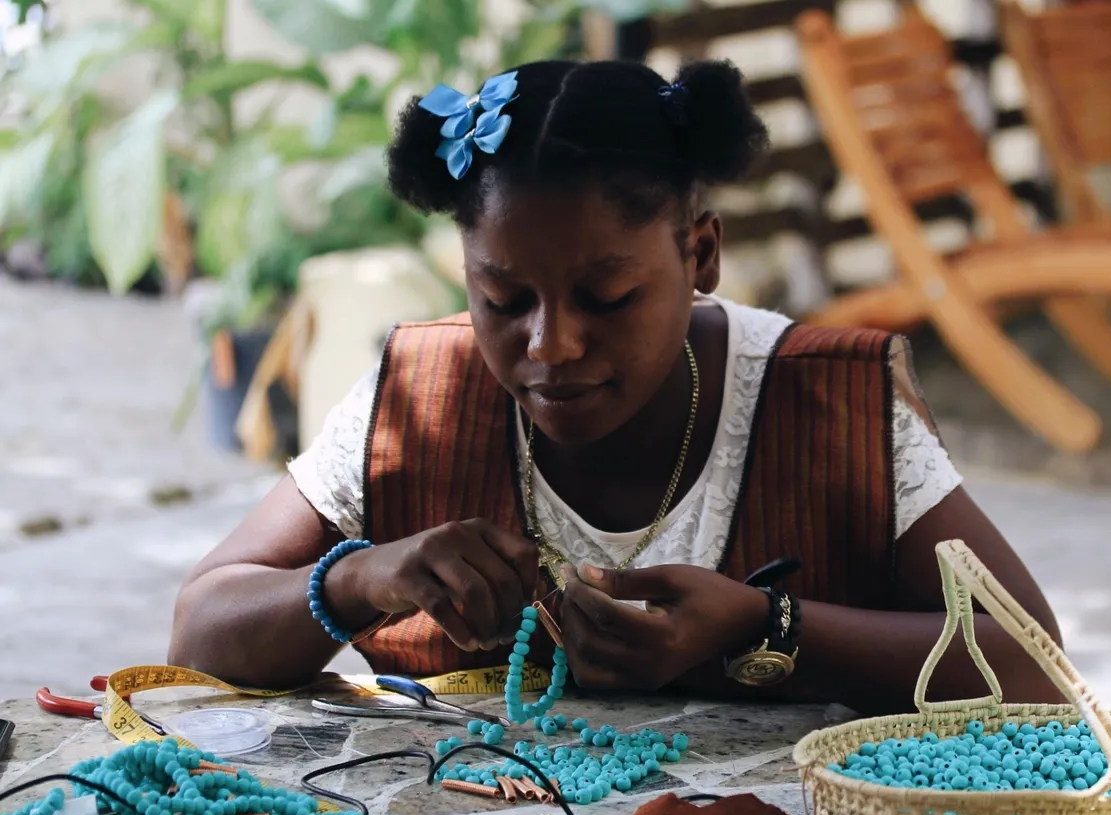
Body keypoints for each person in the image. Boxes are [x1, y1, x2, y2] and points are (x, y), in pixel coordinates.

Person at [169, 58, 1062, 715]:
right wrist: (362, 575)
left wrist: (764, 624)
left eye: (607, 296)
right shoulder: (417, 395)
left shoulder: (828, 403)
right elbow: (200, 631)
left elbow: (1031, 666)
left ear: (699, 253)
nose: (550, 344)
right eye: (504, 298)